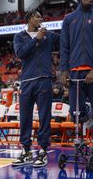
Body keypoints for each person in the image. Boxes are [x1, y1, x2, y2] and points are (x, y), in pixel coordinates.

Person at [60, 0, 93, 170]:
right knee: (75, 112)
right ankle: (81, 141)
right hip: (74, 74)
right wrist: (63, 70)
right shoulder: (69, 20)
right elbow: (64, 47)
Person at [12, 10, 59, 167]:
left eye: (41, 17)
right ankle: (26, 151)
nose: (41, 19)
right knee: (25, 117)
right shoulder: (19, 36)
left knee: (45, 117)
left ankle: (43, 151)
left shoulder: (49, 35)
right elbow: (20, 53)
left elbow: (66, 40)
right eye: (38, 17)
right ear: (30, 19)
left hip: (44, 80)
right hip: (26, 81)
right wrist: (36, 40)